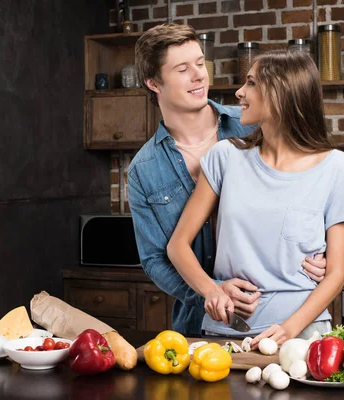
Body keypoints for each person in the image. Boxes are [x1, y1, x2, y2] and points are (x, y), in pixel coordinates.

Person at [127, 23, 328, 336]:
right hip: (201, 324)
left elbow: (310, 188)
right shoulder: (144, 169)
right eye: (182, 69)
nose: (199, 75)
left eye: (199, 63)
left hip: (284, 311)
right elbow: (154, 259)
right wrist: (212, 292)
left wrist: (323, 251)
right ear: (153, 82)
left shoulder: (253, 125)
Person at [166, 50, 344, 346]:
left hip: (302, 336)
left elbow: (336, 273)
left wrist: (288, 329)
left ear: (280, 93)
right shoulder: (225, 157)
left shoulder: (337, 167)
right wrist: (212, 291)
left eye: (251, 83)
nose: (239, 92)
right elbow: (177, 245)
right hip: (226, 333)